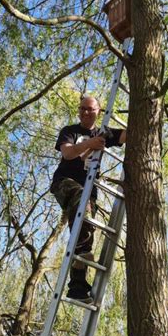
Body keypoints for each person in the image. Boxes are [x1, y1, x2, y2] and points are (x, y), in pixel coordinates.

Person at [50, 95, 126, 303]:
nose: (85, 112)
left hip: (89, 188)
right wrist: (89, 144)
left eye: (90, 109)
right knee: (77, 197)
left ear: (99, 111)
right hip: (65, 182)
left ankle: (77, 286)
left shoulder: (103, 133)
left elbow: (126, 136)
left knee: (85, 231)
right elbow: (67, 153)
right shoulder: (70, 131)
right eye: (82, 109)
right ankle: (81, 261)